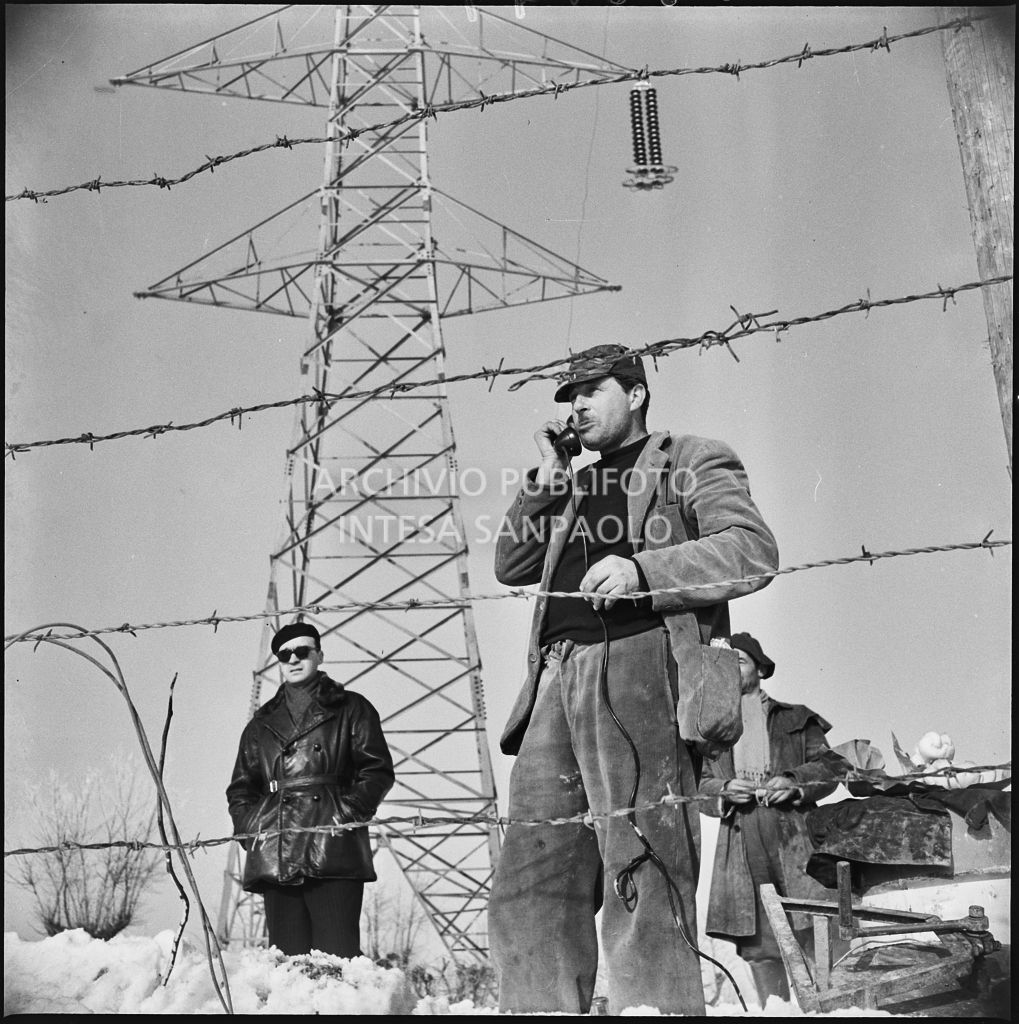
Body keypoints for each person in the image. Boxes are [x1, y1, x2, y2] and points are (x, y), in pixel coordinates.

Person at [488, 343, 780, 1015]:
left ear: (637, 393)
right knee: (533, 872)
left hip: (641, 664)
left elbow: (751, 550)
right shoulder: (572, 481)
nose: (577, 407)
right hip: (555, 676)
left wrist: (642, 571)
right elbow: (511, 564)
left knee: (642, 859)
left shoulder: (689, 459)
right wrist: (547, 478)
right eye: (569, 397)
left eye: (591, 391)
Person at [226, 622, 395, 958]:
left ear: (319, 655)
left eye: (302, 651)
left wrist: (344, 817)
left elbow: (376, 770)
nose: (293, 659)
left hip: (332, 847)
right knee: (287, 968)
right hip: (276, 850)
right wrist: (252, 829)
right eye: (284, 654)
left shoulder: (351, 708)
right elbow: (241, 789)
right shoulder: (260, 724)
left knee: (337, 961)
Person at [699, 631, 840, 1008]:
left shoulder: (796, 717)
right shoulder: (712, 732)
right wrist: (724, 788)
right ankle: (776, 1011)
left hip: (795, 837)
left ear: (761, 669)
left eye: (740, 661)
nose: (732, 670)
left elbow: (830, 767)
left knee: (813, 928)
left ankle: (830, 1009)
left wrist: (794, 782)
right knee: (759, 942)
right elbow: (699, 784)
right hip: (742, 841)